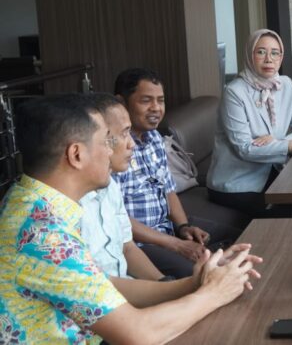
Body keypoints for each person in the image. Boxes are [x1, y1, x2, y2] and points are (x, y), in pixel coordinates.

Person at [0, 94, 262, 344]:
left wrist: (197, 282)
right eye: (106, 141)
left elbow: (103, 287)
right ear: (76, 154)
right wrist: (214, 293)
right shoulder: (44, 233)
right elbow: (137, 335)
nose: (115, 149)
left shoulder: (34, 205)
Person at [113, 68, 241, 278]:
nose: (156, 108)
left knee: (240, 237)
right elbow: (117, 219)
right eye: (146, 100)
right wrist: (176, 244)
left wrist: (183, 227)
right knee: (200, 274)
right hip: (139, 244)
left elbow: (168, 189)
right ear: (121, 102)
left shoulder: (155, 138)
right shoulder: (114, 151)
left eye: (160, 100)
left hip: (166, 228)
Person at [207, 29, 292, 216]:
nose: (269, 59)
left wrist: (279, 142)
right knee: (291, 212)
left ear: (281, 57)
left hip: (272, 171)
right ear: (250, 55)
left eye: (275, 53)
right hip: (237, 183)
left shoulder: (285, 85)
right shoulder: (234, 92)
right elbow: (245, 148)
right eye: (261, 52)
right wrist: (291, 145)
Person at [80, 93, 166, 280]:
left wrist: (165, 283)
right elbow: (100, 288)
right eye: (124, 133)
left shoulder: (109, 185)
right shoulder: (58, 212)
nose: (132, 144)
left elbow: (127, 247)